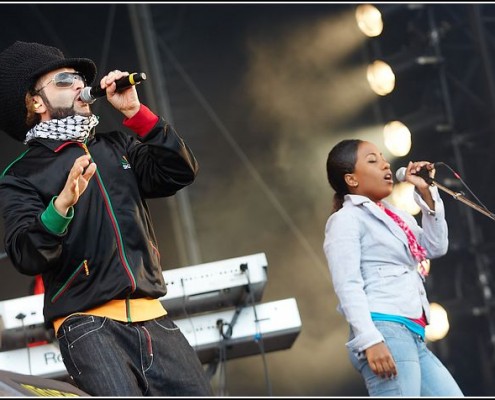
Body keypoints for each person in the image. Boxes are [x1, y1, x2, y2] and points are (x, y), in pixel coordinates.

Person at [0, 41, 213, 397]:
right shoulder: (21, 174)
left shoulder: (117, 146)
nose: (81, 85)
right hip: (88, 324)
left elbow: (180, 172)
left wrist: (136, 113)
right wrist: (60, 207)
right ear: (36, 102)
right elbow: (26, 254)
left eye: (81, 78)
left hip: (154, 317)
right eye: (65, 80)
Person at [323, 139, 464, 397]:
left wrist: (426, 193)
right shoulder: (345, 220)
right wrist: (370, 340)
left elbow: (434, 247)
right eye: (372, 160)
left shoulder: (396, 215)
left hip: (412, 333)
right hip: (385, 330)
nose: (385, 164)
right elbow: (347, 285)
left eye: (383, 158)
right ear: (352, 180)